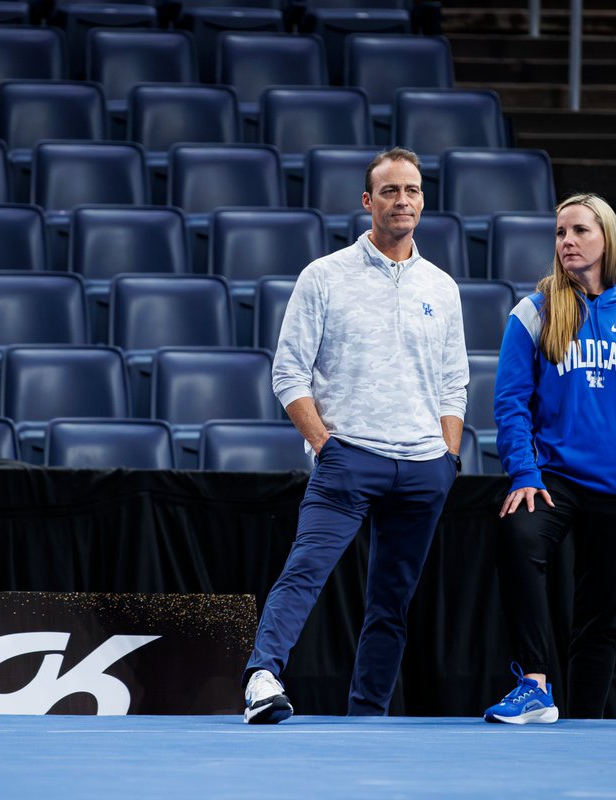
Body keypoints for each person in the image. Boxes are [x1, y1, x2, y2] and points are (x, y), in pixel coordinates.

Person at [242, 147, 469, 724]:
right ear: (368, 202)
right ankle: (262, 679)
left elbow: (453, 383)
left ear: (423, 199)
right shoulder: (324, 276)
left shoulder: (442, 288)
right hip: (349, 460)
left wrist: (447, 456)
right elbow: (288, 371)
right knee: (304, 572)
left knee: (391, 604)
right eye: (390, 191)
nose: (403, 201)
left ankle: (368, 717)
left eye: (412, 191)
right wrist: (326, 445)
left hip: (423, 469)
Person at [483, 193, 616, 724]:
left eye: (579, 231)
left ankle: (586, 725)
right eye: (561, 233)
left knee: (600, 618)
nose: (567, 241)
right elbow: (510, 402)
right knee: (518, 536)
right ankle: (535, 683)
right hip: (555, 478)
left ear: (606, 239)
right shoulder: (535, 310)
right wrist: (523, 470)